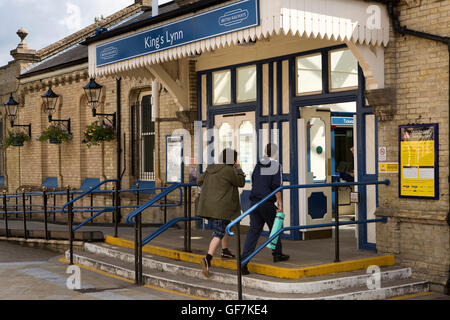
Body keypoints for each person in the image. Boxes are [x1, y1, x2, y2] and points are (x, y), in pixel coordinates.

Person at [240, 143, 289, 275]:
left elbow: (254, 179)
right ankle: (277, 253)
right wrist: (280, 203)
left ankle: (244, 261)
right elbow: (276, 186)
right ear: (275, 153)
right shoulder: (276, 165)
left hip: (255, 202)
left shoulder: (258, 164)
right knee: (276, 226)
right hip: (267, 202)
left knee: (254, 231)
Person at [197, 148, 246, 277]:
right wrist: (239, 168)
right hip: (221, 208)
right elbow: (241, 182)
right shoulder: (230, 170)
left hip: (210, 206)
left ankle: (225, 251)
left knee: (225, 226)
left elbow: (199, 181)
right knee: (218, 232)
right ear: (233, 160)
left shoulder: (211, 168)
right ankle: (207, 259)